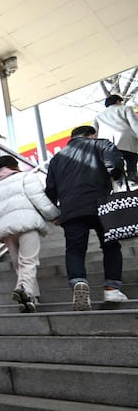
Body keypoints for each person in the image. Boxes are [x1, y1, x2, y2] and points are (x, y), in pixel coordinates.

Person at [44, 125, 128, 311]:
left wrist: (56, 213)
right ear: (92, 135)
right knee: (111, 245)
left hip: (71, 209)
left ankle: (79, 283)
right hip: (102, 203)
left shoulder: (57, 158)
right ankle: (112, 288)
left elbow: (50, 189)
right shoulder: (101, 144)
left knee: (74, 249)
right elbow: (114, 165)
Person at [0, 155, 60, 312]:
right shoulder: (25, 177)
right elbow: (39, 198)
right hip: (26, 224)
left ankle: (31, 298)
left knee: (19, 264)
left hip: (6, 231)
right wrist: (54, 215)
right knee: (28, 261)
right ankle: (25, 289)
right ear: (13, 166)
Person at [93, 94, 138, 182]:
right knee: (132, 158)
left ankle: (120, 181)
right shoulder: (126, 109)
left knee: (116, 166)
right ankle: (132, 175)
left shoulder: (98, 117)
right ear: (118, 101)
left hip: (108, 146)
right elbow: (134, 124)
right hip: (126, 141)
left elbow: (94, 132)